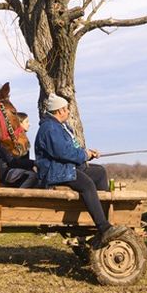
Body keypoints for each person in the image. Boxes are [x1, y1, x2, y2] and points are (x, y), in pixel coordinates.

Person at [34, 94, 125, 248]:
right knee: (87, 184)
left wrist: (87, 154)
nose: (69, 111)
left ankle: (100, 220)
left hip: (63, 167)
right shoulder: (50, 128)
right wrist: (84, 155)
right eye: (66, 109)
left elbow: (70, 149)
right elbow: (62, 152)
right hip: (54, 171)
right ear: (60, 110)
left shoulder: (58, 126)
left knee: (99, 172)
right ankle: (103, 227)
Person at [0, 113, 39, 188]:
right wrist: (34, 163)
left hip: (19, 171)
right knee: (32, 176)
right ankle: (19, 196)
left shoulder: (23, 139)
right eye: (26, 122)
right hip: (7, 173)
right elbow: (13, 162)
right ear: (19, 123)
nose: (29, 124)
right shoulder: (7, 140)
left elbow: (24, 162)